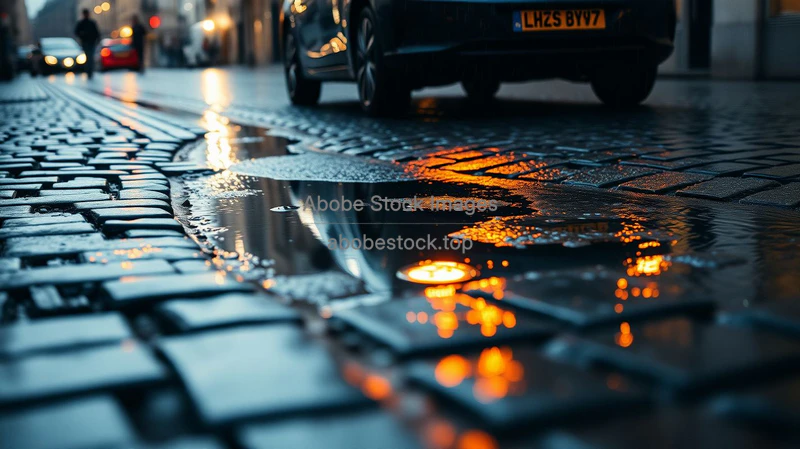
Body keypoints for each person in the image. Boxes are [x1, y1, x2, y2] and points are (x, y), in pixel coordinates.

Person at [74, 9, 99, 78]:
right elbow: (77, 32)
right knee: (89, 57)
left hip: (91, 42)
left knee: (90, 57)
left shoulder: (91, 23)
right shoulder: (82, 23)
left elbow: (97, 33)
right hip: (86, 42)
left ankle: (89, 71)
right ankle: (89, 71)